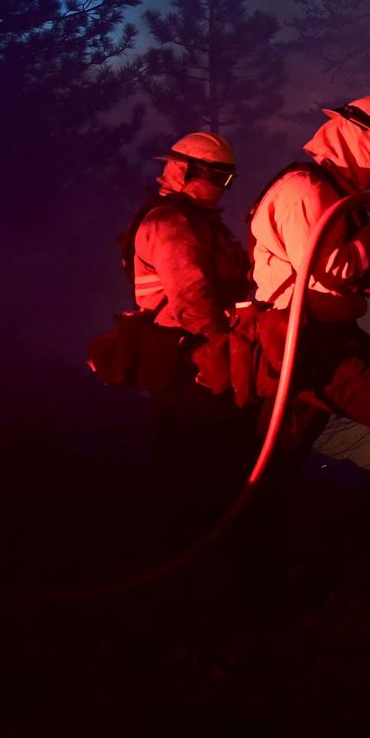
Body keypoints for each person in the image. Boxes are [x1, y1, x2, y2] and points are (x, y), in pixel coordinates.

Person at [248, 95, 370, 553]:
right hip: (303, 338)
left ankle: (250, 560)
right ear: (357, 138)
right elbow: (332, 271)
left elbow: (367, 280)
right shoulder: (305, 189)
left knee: (276, 459)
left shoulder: (338, 198)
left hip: (318, 338)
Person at [121, 131, 257, 551]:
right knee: (189, 456)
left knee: (199, 457)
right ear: (184, 171)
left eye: (227, 179)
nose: (220, 189)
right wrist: (220, 349)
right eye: (215, 177)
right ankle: (177, 548)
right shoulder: (170, 222)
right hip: (188, 358)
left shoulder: (195, 220)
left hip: (198, 352)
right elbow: (192, 294)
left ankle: (191, 542)